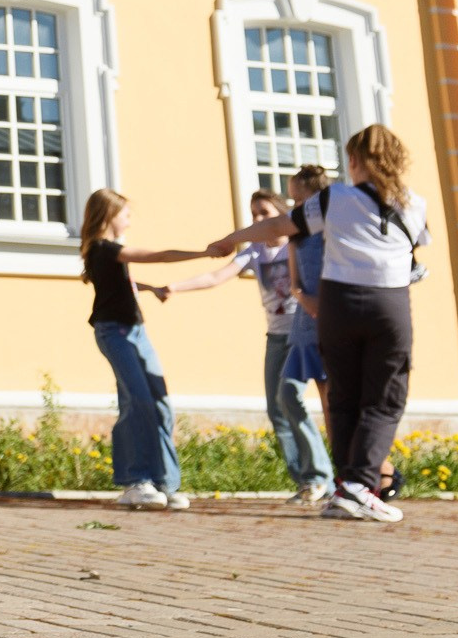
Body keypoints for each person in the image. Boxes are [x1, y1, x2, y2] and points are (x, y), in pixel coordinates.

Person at [212, 126, 429, 524]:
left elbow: (281, 226)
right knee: (385, 397)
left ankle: (347, 487)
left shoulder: (335, 198)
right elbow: (415, 251)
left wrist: (233, 238)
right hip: (387, 304)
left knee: (343, 396)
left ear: (355, 161)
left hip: (338, 304)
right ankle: (363, 486)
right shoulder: (415, 203)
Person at [142, 188, 334, 501]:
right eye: (254, 213)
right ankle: (305, 480)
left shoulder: (298, 245)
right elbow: (216, 277)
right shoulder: (256, 252)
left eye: (265, 214)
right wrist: (173, 288)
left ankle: (319, 476)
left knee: (290, 396)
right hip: (276, 337)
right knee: (277, 408)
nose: (258, 219)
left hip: (302, 334)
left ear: (280, 216)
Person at [76, 188, 211, 511]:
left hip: (136, 331)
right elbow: (160, 256)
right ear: (109, 216)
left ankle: (166, 482)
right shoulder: (103, 248)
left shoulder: (110, 253)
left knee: (160, 403)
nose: (129, 221)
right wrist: (204, 253)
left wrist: (153, 289)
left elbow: (124, 283)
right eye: (126, 214)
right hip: (114, 333)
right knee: (137, 401)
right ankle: (135, 481)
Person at [281, 163, 333, 477]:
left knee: (336, 402)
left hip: (335, 318)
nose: (294, 207)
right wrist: (304, 298)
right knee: (294, 393)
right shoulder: (296, 235)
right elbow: (294, 282)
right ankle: (329, 473)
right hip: (306, 323)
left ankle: (357, 472)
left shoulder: (335, 229)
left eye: (298, 201)